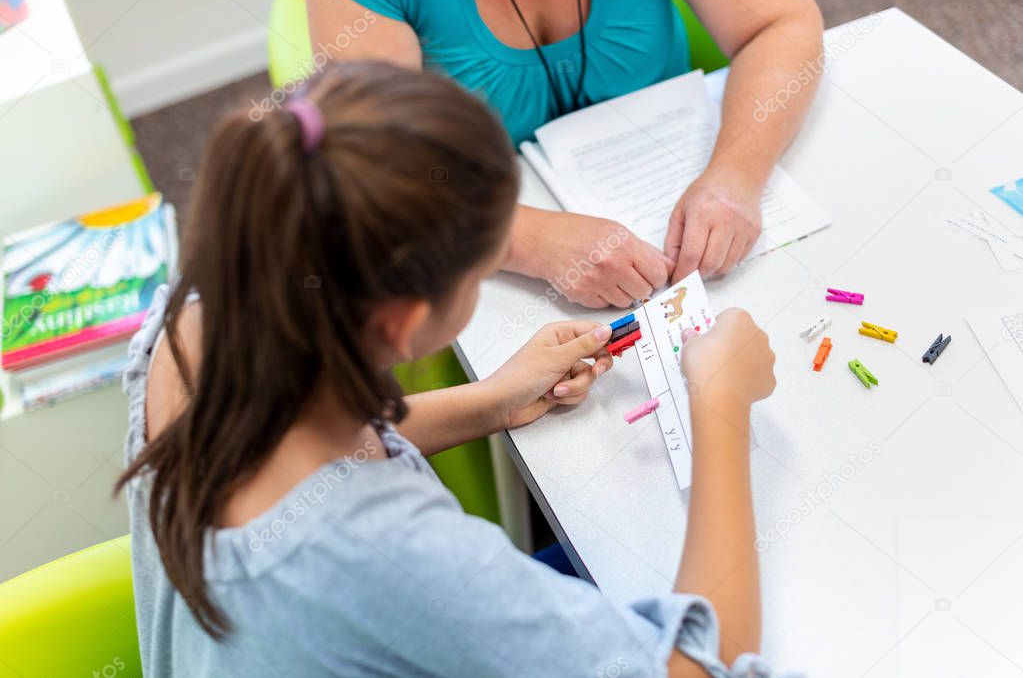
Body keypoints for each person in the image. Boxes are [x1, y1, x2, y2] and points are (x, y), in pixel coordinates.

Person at [118, 62, 779, 677]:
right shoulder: (389, 554)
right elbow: (697, 667)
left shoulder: (195, 319)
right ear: (406, 323)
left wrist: (492, 400)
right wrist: (719, 405)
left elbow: (304, 452)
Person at [307, 0, 824, 307]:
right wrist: (525, 239)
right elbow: (372, 169)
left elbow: (780, 24)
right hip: (473, 245)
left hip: (665, 197)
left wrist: (735, 173)